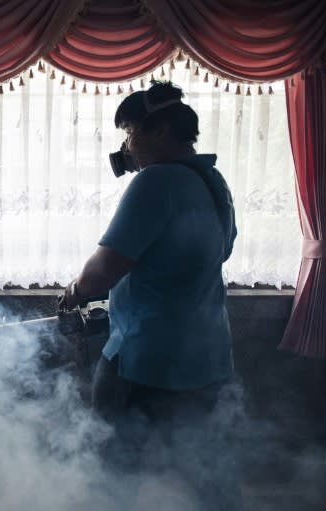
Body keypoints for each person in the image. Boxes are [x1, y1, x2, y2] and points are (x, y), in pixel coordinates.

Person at [59, 81, 242, 510]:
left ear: (160, 131)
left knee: (113, 470)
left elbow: (103, 271)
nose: (128, 145)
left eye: (131, 132)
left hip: (145, 360)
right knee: (205, 470)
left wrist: (75, 292)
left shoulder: (155, 181)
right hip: (206, 359)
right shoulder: (214, 183)